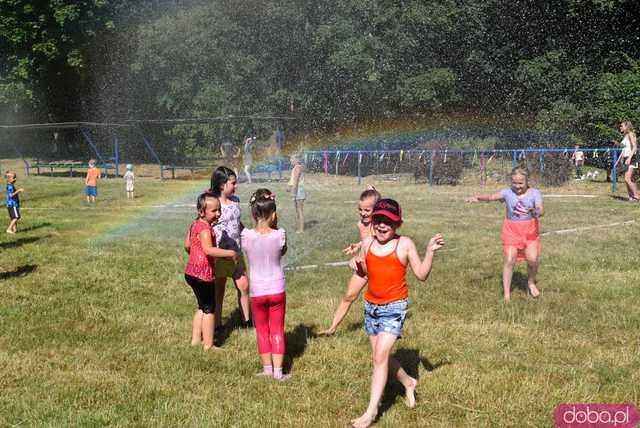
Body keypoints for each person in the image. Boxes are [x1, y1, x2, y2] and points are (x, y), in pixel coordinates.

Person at [350, 198, 445, 428]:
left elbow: (421, 274)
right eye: (379, 220)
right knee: (380, 358)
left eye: (389, 222)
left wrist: (430, 252)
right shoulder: (367, 243)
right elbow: (365, 272)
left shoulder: (405, 244)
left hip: (394, 308)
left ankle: (371, 412)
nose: (383, 226)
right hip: (371, 307)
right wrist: (356, 265)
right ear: (373, 220)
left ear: (397, 224)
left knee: (380, 357)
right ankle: (408, 381)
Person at [465, 166, 544, 302]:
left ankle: (530, 283)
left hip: (530, 231)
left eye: (521, 183)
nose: (517, 186)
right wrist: (477, 197)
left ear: (527, 181)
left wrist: (536, 212)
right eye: (514, 183)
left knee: (532, 259)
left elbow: (541, 210)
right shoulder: (507, 193)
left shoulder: (535, 193)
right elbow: (491, 197)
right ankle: (507, 294)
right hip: (511, 231)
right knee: (509, 260)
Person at [319, 187, 381, 336]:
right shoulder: (361, 224)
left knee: (379, 300)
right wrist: (358, 246)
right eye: (360, 209)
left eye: (367, 210)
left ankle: (383, 328)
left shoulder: (380, 224)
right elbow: (367, 239)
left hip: (378, 268)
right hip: (362, 267)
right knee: (349, 296)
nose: (363, 213)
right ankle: (332, 328)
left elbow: (377, 240)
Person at [241, 188, 289, 380]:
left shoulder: (246, 236)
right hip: (277, 289)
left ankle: (267, 369)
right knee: (277, 329)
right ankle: (279, 373)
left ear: (253, 214)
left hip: (257, 291)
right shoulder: (281, 234)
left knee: (262, 330)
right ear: (274, 214)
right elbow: (282, 251)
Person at [183, 193, 239, 350]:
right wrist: (230, 253)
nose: (218, 214)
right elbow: (208, 250)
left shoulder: (195, 225)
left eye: (219, 210)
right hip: (203, 275)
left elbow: (187, 245)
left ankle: (195, 340)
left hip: (191, 272)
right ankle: (208, 344)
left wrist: (195, 255)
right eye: (214, 211)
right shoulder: (206, 229)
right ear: (201, 211)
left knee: (202, 306)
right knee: (210, 309)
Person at [209, 166, 252, 329]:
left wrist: (246, 233)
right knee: (219, 289)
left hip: (236, 252)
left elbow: (237, 222)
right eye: (233, 183)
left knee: (244, 285)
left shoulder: (236, 201)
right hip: (221, 255)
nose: (236, 186)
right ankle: (217, 322)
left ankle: (246, 321)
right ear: (222, 185)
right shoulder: (213, 203)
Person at [615, 121, 639, 201]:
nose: (620, 127)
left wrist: (629, 158)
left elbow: (635, 147)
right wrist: (618, 144)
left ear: (627, 126)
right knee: (626, 179)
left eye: (622, 126)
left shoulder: (631, 134)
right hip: (626, 158)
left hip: (631, 158)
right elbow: (624, 148)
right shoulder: (626, 136)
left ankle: (637, 196)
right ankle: (631, 197)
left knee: (627, 179)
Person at [287, 155, 305, 233]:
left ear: (297, 160)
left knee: (299, 210)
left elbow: (296, 181)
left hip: (298, 190)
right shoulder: (295, 168)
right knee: (297, 210)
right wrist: (289, 187)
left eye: (292, 158)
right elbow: (292, 180)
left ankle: (301, 229)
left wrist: (293, 192)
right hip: (296, 190)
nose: (290, 160)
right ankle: (299, 226)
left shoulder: (297, 168)